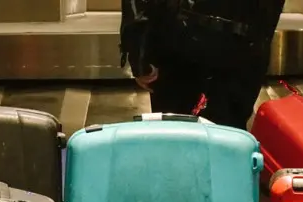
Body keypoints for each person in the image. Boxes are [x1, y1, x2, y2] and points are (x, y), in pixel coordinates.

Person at [121, 0, 286, 130]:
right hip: (229, 47)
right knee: (225, 138)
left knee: (178, 136)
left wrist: (139, 50)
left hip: (185, 43)